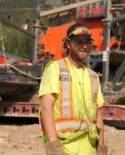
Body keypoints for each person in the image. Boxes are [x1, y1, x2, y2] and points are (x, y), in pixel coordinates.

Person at [39, 23, 107, 155]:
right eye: (79, 42)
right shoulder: (55, 68)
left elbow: (98, 115)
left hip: (89, 150)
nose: (85, 46)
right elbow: (46, 107)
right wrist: (54, 147)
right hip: (65, 149)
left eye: (87, 42)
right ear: (68, 44)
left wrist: (102, 149)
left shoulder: (93, 76)